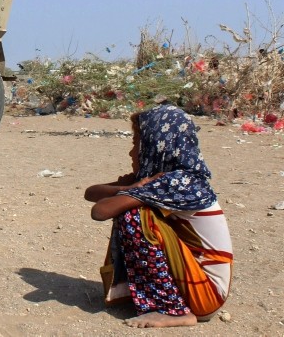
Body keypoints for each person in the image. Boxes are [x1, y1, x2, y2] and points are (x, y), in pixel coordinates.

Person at [84, 104, 233, 328]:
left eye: (136, 144)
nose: (131, 152)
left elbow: (100, 211)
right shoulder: (165, 179)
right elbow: (91, 193)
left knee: (134, 216)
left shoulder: (178, 182)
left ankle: (173, 311)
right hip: (198, 285)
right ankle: (159, 298)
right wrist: (130, 186)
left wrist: (130, 190)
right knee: (132, 208)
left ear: (154, 146)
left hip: (207, 294)